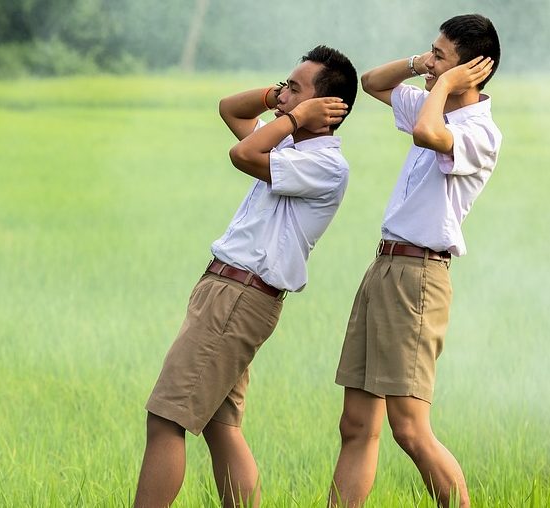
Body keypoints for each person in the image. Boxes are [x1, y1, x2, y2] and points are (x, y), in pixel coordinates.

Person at [133, 46, 357, 508]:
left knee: (166, 419)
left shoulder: (324, 165)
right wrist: (281, 98)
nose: (283, 94)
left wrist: (293, 118)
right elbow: (229, 109)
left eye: (296, 87)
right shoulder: (289, 146)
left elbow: (242, 151)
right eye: (284, 84)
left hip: (240, 295)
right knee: (220, 427)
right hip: (230, 291)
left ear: (327, 108)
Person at [328, 14, 500, 508]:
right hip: (385, 267)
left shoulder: (479, 132)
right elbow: (372, 83)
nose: (431, 63)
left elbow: (426, 132)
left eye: (440, 55)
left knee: (409, 428)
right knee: (356, 423)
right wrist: (418, 65)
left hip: (419, 276)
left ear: (473, 72)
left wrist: (442, 84)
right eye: (432, 52)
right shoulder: (434, 100)